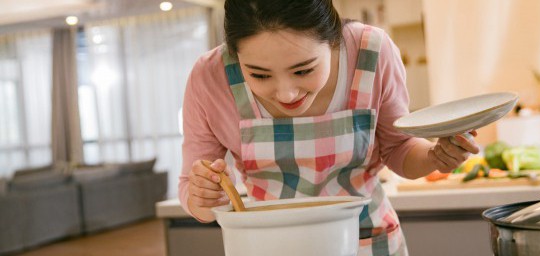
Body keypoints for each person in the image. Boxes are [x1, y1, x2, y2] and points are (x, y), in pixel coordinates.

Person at [179, 0, 479, 255]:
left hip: (364, 241)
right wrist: (203, 196)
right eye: (259, 75)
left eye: (303, 70)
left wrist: (436, 157)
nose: (286, 93)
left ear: (334, 39)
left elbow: (399, 149)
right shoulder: (209, 77)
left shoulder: (370, 52)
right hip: (270, 246)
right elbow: (193, 192)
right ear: (233, 53)